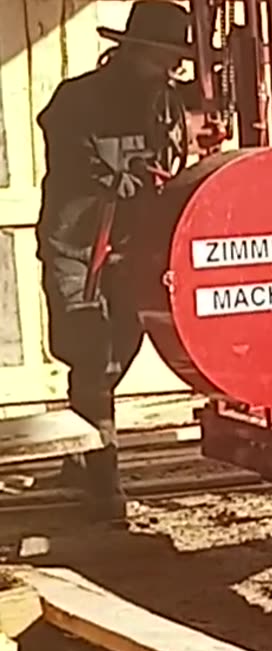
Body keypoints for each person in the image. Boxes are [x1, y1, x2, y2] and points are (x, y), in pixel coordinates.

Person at [35, 1, 195, 522]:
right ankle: (104, 481)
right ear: (133, 49)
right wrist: (133, 180)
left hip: (131, 244)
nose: (169, 70)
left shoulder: (166, 103)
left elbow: (171, 160)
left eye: (175, 61)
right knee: (90, 349)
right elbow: (81, 160)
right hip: (77, 242)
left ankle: (83, 455)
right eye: (162, 58)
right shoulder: (75, 100)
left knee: (117, 350)